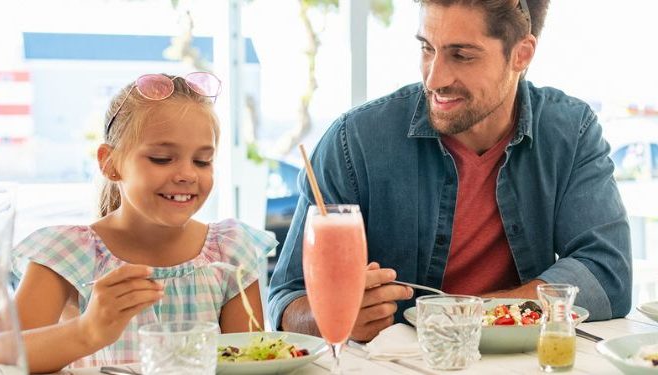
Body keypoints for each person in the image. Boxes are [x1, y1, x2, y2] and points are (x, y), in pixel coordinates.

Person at [269, 0, 632, 342]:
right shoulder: (354, 141)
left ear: (521, 54)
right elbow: (288, 300)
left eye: (461, 55)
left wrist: (469, 316)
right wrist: (332, 316)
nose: (434, 79)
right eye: (427, 49)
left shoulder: (570, 130)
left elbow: (607, 273)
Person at [0, 73, 275, 372]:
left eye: (202, 161)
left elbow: (249, 363)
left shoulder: (229, 250)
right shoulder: (69, 252)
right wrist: (88, 331)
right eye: (162, 158)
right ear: (110, 163)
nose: (187, 174)